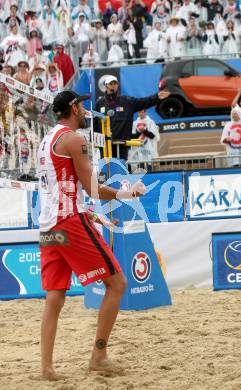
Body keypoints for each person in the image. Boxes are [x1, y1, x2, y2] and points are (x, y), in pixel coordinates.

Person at [38, 90, 146, 380]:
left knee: (54, 296)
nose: (86, 111)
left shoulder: (46, 140)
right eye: (83, 107)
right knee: (117, 283)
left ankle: (46, 368)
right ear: (73, 108)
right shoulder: (75, 139)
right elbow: (92, 189)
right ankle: (99, 356)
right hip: (69, 221)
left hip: (47, 227)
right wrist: (128, 192)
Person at [94, 75, 170, 160]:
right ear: (106, 86)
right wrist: (94, 139)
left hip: (121, 144)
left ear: (118, 85)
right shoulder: (99, 103)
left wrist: (157, 97)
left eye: (115, 83)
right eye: (110, 83)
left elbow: (143, 102)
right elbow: (95, 124)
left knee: (120, 170)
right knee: (107, 169)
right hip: (105, 145)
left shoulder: (127, 101)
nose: (113, 85)